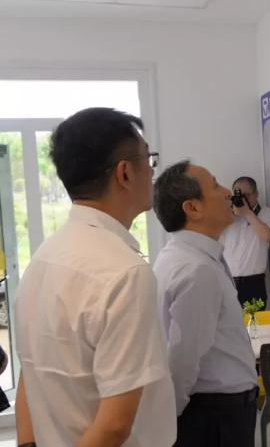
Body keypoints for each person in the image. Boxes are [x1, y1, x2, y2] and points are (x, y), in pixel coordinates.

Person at [13, 108, 176, 447]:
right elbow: (114, 426)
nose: (152, 172)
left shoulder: (43, 259)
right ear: (125, 172)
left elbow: (30, 371)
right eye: (148, 159)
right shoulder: (124, 273)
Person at [153, 161, 258, 447]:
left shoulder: (183, 256)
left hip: (215, 414)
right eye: (215, 186)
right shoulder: (197, 270)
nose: (227, 193)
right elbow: (182, 361)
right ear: (193, 208)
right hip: (214, 419)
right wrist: (171, 425)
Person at [220, 177, 270, 308]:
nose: (242, 200)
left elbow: (268, 236)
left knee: (254, 321)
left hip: (253, 284)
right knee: (228, 321)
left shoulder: (265, 213)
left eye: (246, 195)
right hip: (228, 282)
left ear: (256, 194)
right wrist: (225, 210)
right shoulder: (228, 216)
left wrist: (248, 213)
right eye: (239, 196)